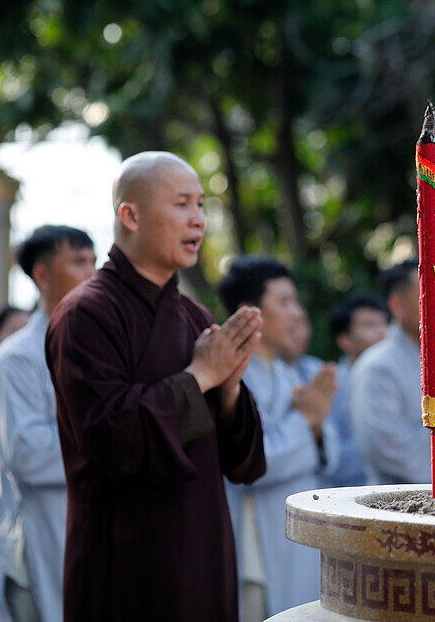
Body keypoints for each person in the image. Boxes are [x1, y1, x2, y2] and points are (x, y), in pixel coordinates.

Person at [45, 151, 266, 621]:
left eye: (202, 206)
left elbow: (239, 464)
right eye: (182, 204)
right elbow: (111, 435)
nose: (198, 220)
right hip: (124, 555)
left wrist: (228, 390)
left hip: (202, 546)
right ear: (131, 215)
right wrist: (201, 376)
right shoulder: (85, 313)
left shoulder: (194, 316)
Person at [218, 256, 338, 618]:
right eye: (283, 302)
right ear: (248, 311)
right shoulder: (230, 378)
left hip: (295, 531)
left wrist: (315, 425)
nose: (294, 313)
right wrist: (306, 421)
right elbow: (253, 462)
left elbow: (326, 456)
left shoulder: (284, 374)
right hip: (256, 536)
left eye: (294, 301)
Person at [0, 226, 94, 621]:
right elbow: (29, 455)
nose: (92, 272)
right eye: (78, 261)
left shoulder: (101, 347)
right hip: (38, 541)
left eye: (93, 260)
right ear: (42, 276)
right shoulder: (17, 357)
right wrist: (112, 438)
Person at [350, 260, 435, 485]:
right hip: (400, 506)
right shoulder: (377, 367)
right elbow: (387, 450)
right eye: (434, 296)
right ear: (398, 305)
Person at [317, 291, 387, 488]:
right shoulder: (332, 386)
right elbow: (332, 458)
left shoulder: (394, 379)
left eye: (383, 323)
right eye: (370, 326)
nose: (382, 333)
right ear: (344, 340)